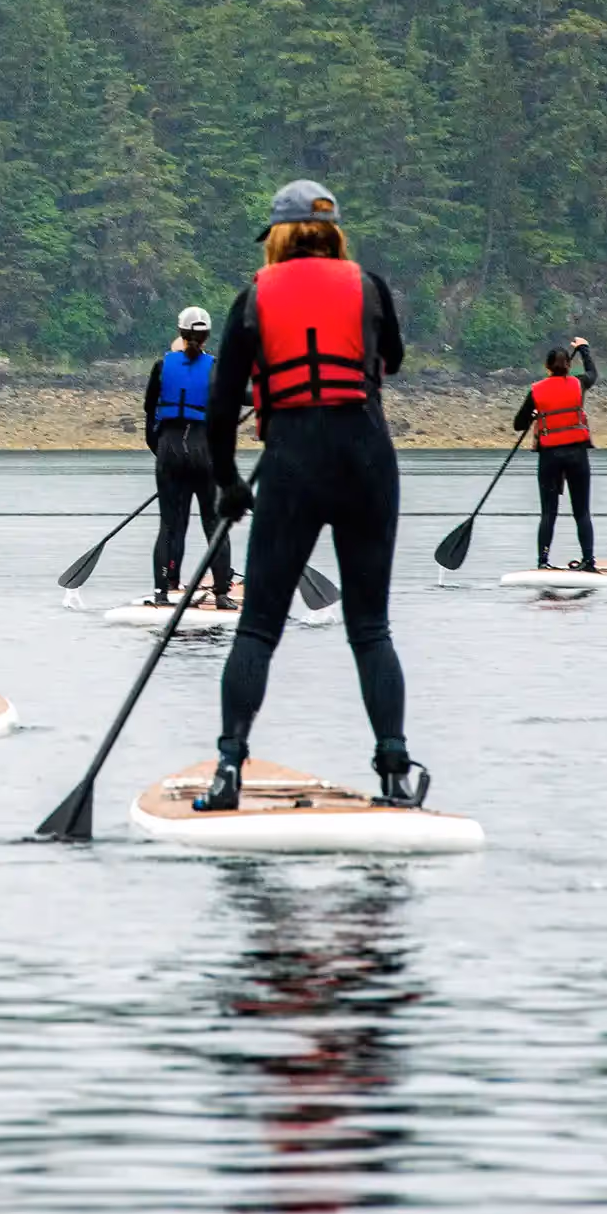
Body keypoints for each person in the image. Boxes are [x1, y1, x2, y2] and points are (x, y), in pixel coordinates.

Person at [199, 180, 421, 811]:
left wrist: (229, 485)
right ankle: (395, 772)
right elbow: (393, 360)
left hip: (293, 462)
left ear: (277, 237)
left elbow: (221, 408)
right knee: (371, 628)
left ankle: (228, 770)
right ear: (333, 234)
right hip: (366, 459)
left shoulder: (253, 299)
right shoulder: (370, 288)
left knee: (260, 626)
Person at [143, 306, 233, 608]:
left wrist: (160, 451)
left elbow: (150, 412)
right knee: (214, 522)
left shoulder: (161, 365)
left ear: (180, 334)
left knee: (170, 524)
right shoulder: (217, 367)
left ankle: (162, 591)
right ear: (206, 336)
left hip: (169, 450)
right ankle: (221, 593)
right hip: (203, 450)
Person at [512, 337, 597, 571]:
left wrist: (533, 415)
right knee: (582, 512)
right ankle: (589, 560)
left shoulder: (537, 391)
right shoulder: (579, 384)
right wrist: (583, 349)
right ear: (568, 367)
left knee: (548, 513)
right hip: (577, 455)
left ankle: (543, 561)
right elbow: (593, 373)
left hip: (550, 457)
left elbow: (519, 424)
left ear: (547, 368)